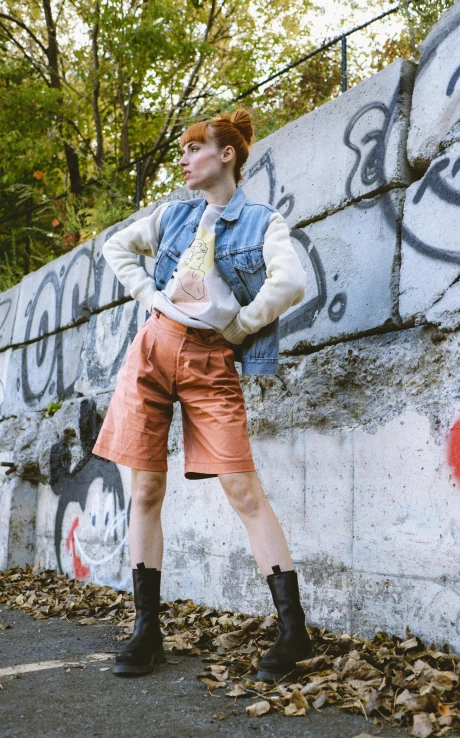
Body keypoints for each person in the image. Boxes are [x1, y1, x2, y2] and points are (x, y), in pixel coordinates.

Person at [92, 108, 312, 681]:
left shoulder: (264, 222)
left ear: (227, 154)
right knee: (144, 488)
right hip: (152, 348)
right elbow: (118, 247)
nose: (184, 160)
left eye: (194, 149)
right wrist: (149, 297)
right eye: (184, 152)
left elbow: (290, 282)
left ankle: (294, 633)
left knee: (241, 487)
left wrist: (236, 330)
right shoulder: (173, 215)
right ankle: (147, 631)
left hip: (211, 359)